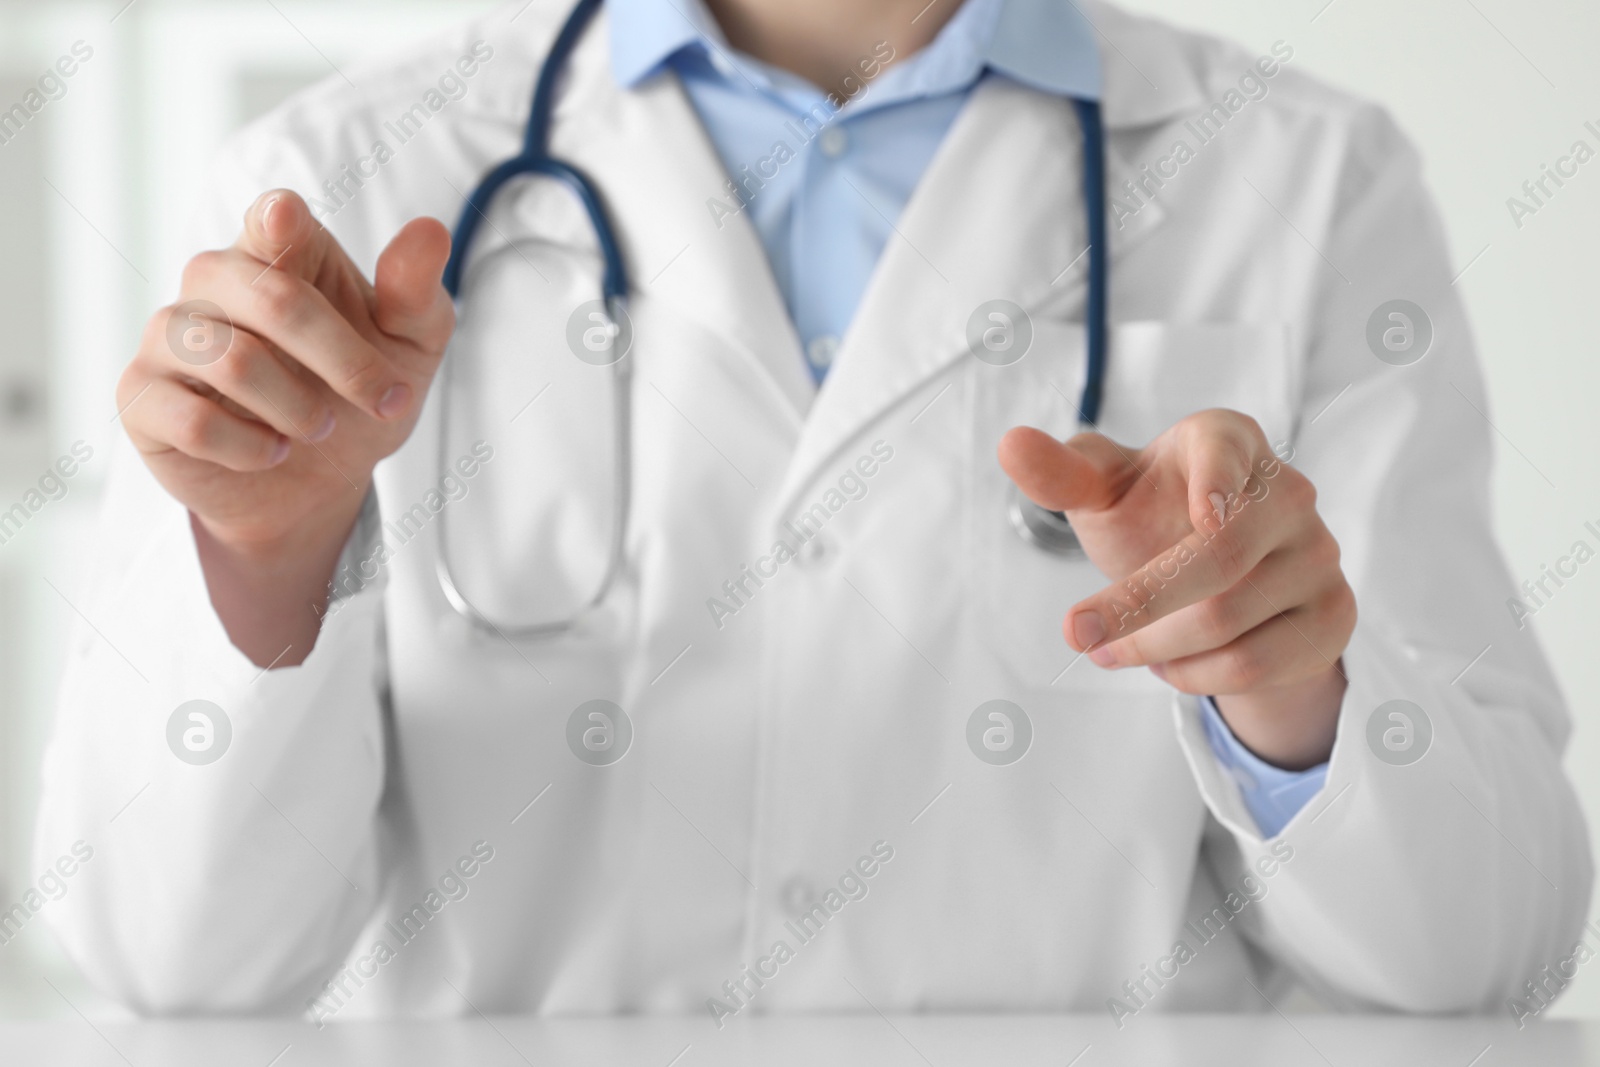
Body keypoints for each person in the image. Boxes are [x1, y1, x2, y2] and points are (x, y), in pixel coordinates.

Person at [36, 0, 1589, 1025]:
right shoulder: (341, 172)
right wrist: (267, 556)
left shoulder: (1306, 180)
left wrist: (1288, 695)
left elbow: (1487, 947)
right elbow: (173, 963)